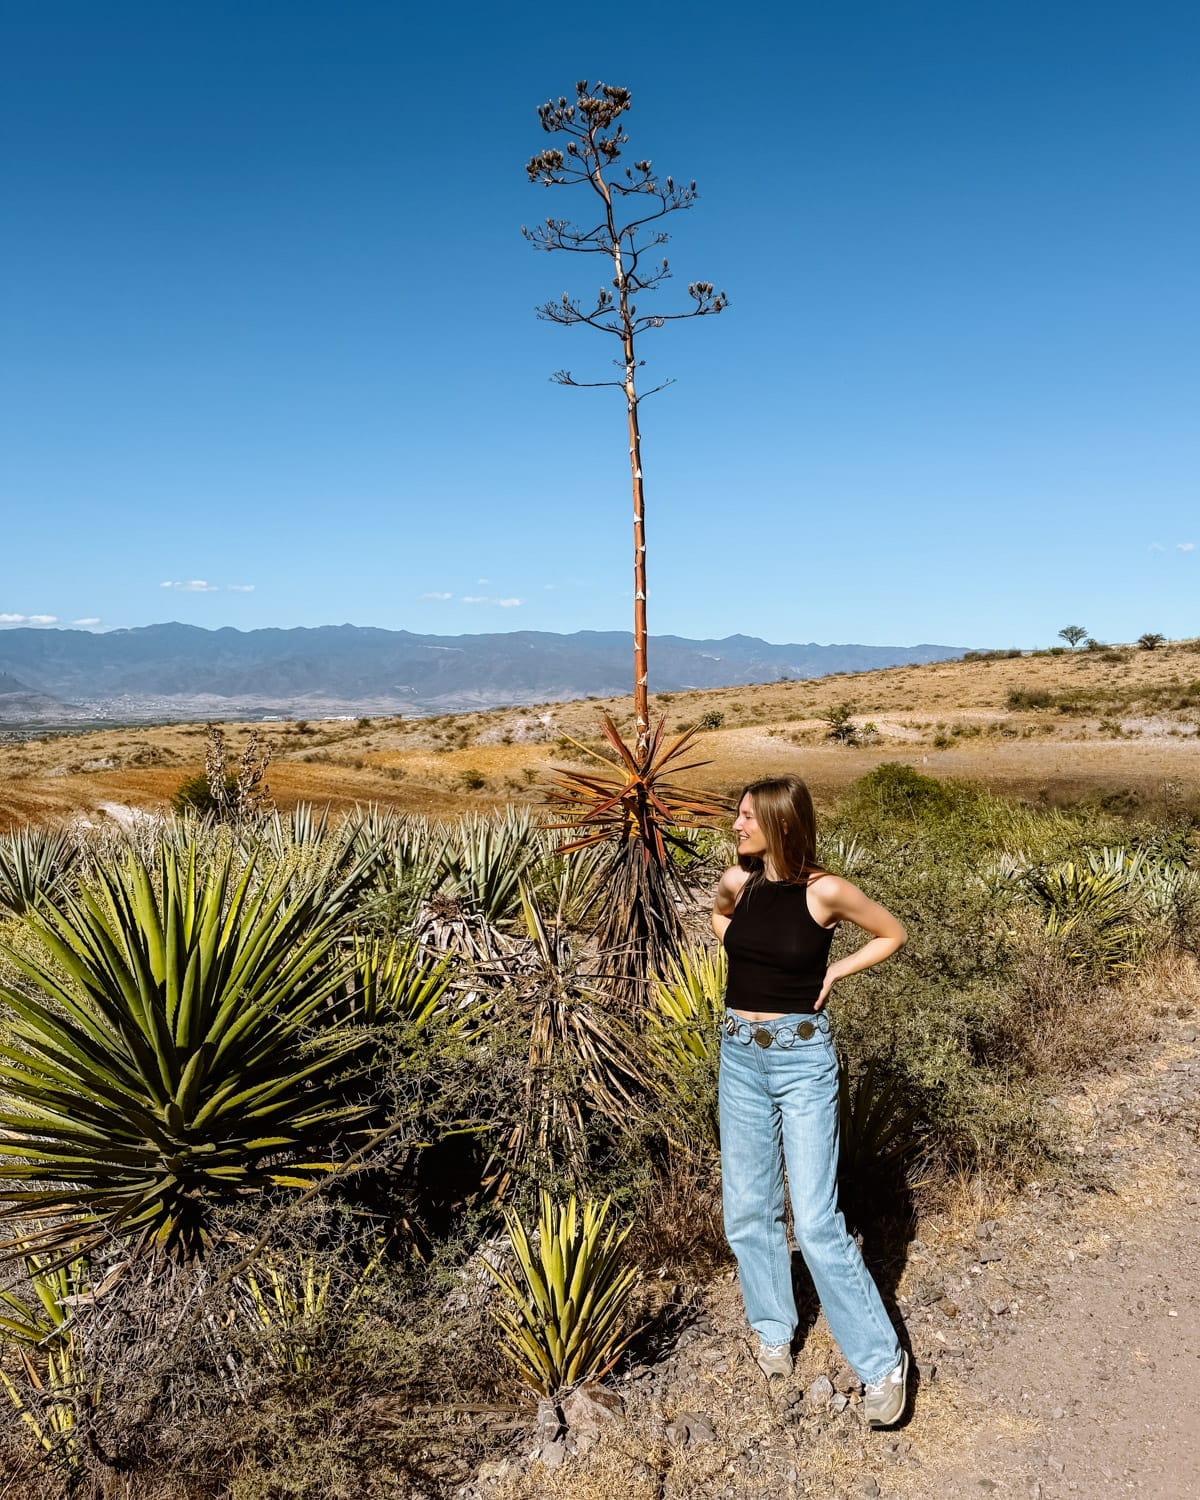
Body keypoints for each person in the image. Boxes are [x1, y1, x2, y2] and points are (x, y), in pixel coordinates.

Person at [711, 774, 910, 1427]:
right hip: (738, 1053)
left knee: (819, 1222)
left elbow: (890, 933)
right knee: (748, 1208)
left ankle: (882, 1365)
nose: (737, 826)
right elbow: (721, 920)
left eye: (746, 817)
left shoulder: (826, 891)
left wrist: (835, 970)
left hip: (801, 1059)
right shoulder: (738, 884)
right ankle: (774, 1329)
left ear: (780, 824)